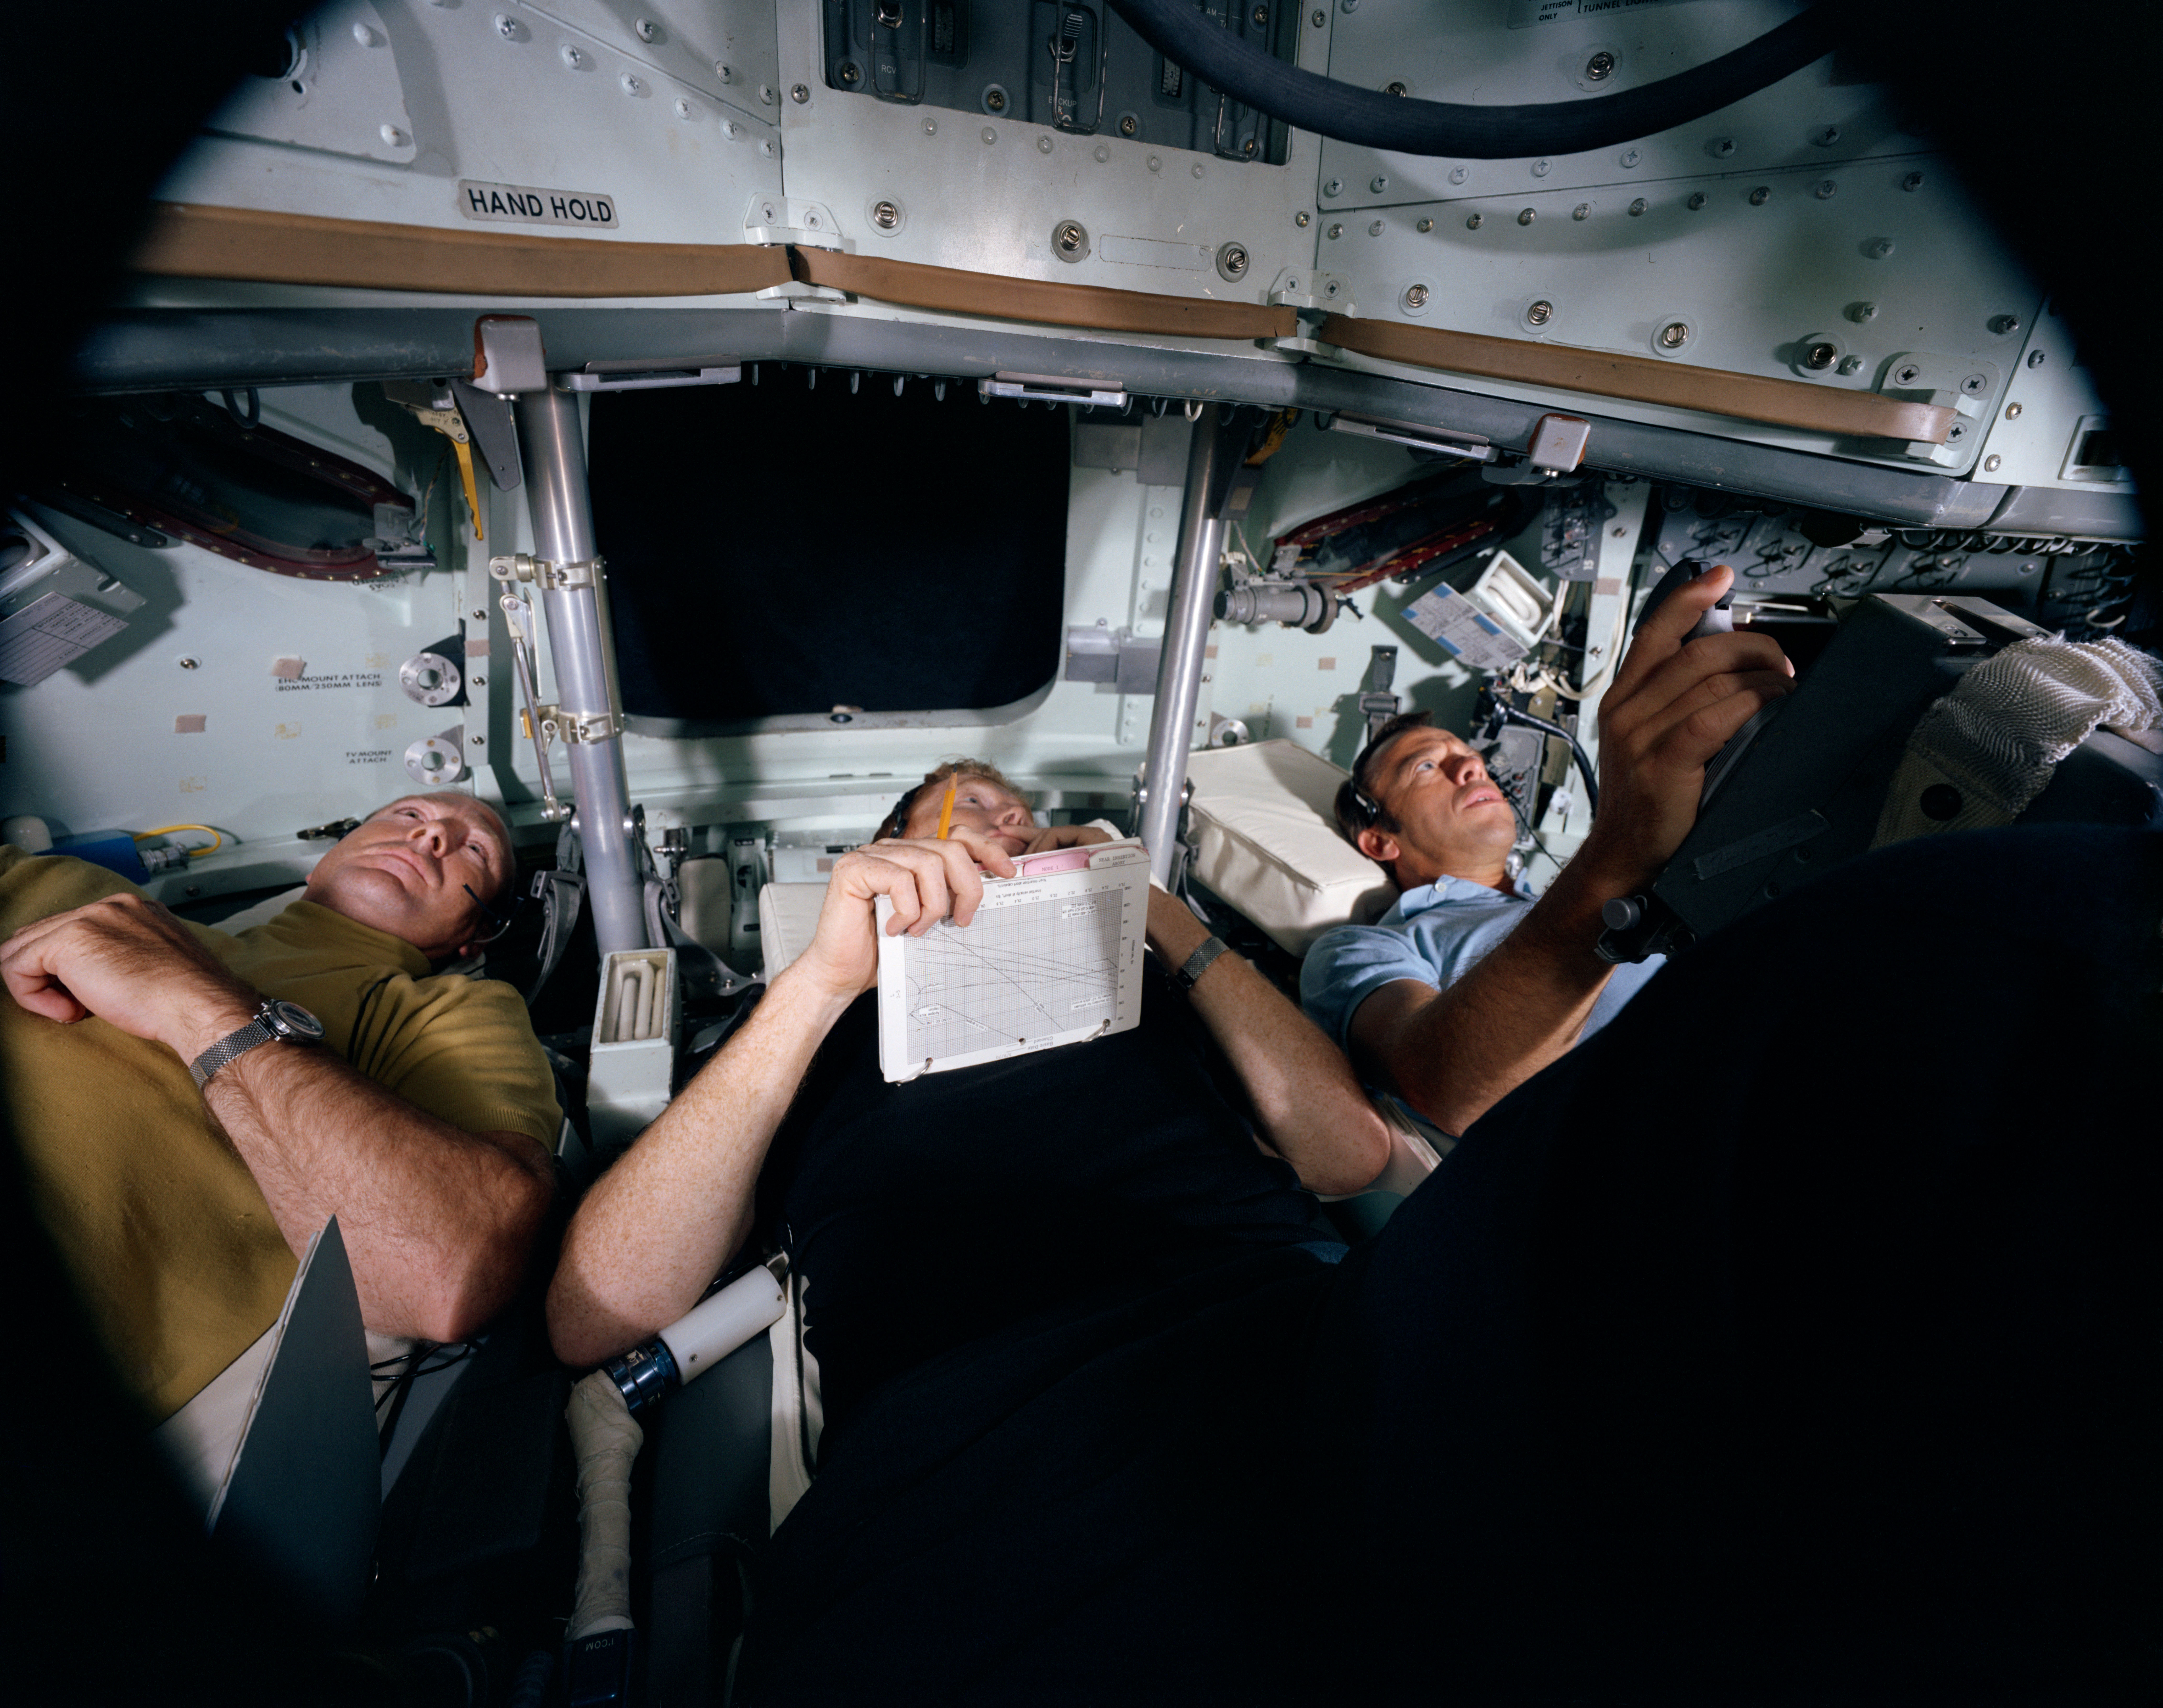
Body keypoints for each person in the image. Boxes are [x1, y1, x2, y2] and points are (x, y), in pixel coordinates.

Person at [544, 564, 2160, 1699]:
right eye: (966, 817)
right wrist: (820, 981)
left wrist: (1172, 924)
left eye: (1031, 816)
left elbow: (1338, 1151)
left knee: (2004, 929)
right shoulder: (814, 1029)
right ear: (884, 850)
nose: (1008, 833)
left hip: (1290, 1338)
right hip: (983, 1435)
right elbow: (594, 1310)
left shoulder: (1170, 981)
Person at [0, 792, 561, 1462]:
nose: (431, 837)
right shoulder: (78, 893)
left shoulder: (450, 1012)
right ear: (320, 863)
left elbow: (451, 1273)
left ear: (474, 936)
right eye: (407, 816)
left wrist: (194, 1003)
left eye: (474, 850)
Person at [1302, 562, 1792, 1136]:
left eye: (1471, 756)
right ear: (1379, 839)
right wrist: (1617, 855)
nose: (1469, 766)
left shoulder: (1558, 899)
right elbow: (1443, 1085)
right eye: (1428, 766)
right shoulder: (1364, 948)